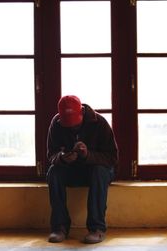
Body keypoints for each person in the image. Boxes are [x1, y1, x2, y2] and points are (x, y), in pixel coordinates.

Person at [46, 95, 118, 244]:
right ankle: (59, 227)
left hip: (97, 171)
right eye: (68, 125)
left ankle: (97, 228)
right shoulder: (56, 123)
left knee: (99, 171)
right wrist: (62, 158)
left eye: (75, 124)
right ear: (60, 118)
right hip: (71, 170)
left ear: (82, 112)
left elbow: (112, 158)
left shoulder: (99, 122)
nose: (72, 127)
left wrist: (87, 155)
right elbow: (51, 155)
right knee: (53, 172)